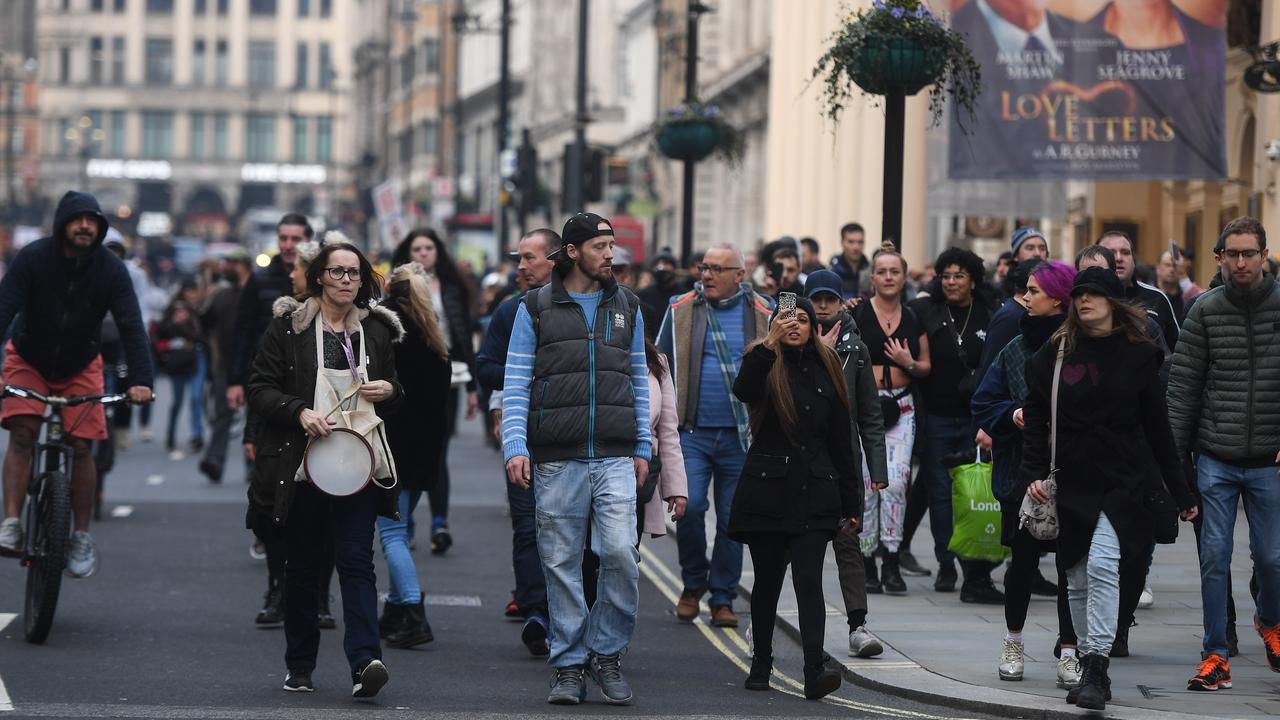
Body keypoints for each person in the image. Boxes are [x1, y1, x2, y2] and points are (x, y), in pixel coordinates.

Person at [1020, 267, 1197, 711]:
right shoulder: (1057, 352)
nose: (1084, 302)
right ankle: (1084, 661)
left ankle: (1098, 667)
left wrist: (1182, 491)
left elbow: (1159, 428)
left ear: (1113, 301)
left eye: (1094, 295)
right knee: (1075, 576)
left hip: (1122, 478)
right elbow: (1037, 413)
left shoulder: (1137, 354)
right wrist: (1034, 472)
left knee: (1101, 563)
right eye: (1079, 294)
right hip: (1073, 478)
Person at [501, 212, 651, 706]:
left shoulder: (627, 304)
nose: (611, 254)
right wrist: (515, 446)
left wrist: (644, 446)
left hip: (613, 454)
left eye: (612, 246)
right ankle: (568, 665)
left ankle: (605, 654)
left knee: (618, 556)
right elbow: (517, 381)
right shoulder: (535, 307)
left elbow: (638, 381)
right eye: (601, 246)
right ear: (573, 252)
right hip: (556, 458)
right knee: (561, 564)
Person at [247, 240, 403, 698]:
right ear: (318, 277)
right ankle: (300, 665)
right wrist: (297, 412)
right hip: (302, 465)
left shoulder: (375, 331)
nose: (347, 281)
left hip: (359, 463)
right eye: (337, 273)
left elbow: (399, 393)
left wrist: (388, 390)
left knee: (357, 562)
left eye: (355, 274)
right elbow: (260, 386)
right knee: (304, 568)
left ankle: (365, 662)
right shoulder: (288, 327)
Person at [0, 191, 155, 571]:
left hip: (81, 363)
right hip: (28, 356)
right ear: (62, 224)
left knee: (83, 446)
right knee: (23, 434)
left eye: (92, 221)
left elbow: (131, 326)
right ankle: (12, 522)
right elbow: (3, 310)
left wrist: (141, 379)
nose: (85, 226)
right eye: (77, 219)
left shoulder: (111, 270)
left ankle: (81, 537)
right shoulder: (33, 258)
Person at [1168, 216, 1280, 692]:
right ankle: (1215, 654)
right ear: (1220, 258)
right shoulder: (1204, 310)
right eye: (1231, 254)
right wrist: (1178, 471)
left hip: (1269, 461)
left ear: (1264, 255)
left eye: (1248, 253)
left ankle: (1270, 622)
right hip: (1214, 456)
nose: (1240, 261)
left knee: (1272, 558)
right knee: (1214, 557)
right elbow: (1182, 392)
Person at [729, 296, 860, 700]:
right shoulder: (763, 361)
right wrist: (768, 344)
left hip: (816, 492)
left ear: (813, 327)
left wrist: (851, 503)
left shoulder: (828, 367)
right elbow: (743, 390)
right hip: (768, 490)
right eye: (786, 319)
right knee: (767, 583)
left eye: (802, 319)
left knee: (808, 581)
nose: (795, 325)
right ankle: (761, 662)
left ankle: (813, 669)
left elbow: (842, 440)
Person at [972, 260, 1079, 688]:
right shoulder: (1014, 347)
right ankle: (1014, 641)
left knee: (1073, 565)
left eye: (1033, 290)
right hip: (1021, 473)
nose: (1026, 296)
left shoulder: (1079, 347)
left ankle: (1069, 649)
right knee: (1023, 562)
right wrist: (1012, 413)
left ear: (1057, 298)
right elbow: (983, 401)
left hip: (1072, 471)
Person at [656, 241, 774, 629]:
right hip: (691, 431)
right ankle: (693, 583)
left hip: (743, 437)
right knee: (688, 510)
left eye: (716, 269)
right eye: (703, 267)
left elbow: (794, 344)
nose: (706, 275)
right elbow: (657, 365)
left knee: (731, 520)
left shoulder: (767, 309)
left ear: (740, 276)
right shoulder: (680, 308)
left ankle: (722, 597)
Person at [475, 228, 557, 655]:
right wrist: (520, 373)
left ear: (557, 259)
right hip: (522, 432)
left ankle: (570, 616)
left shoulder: (589, 308)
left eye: (529, 258)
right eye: (519, 258)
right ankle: (536, 614)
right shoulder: (510, 312)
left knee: (569, 532)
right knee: (527, 527)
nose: (520, 267)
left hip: (573, 439)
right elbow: (484, 367)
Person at [909, 247, 1002, 602]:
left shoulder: (989, 313)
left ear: (973, 280)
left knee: (975, 493)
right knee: (940, 494)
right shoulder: (925, 310)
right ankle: (946, 562)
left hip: (976, 420)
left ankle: (974, 567)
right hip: (937, 418)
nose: (951, 282)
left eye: (959, 275)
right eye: (946, 275)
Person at [804, 268, 889, 656]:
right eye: (816, 299)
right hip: (802, 463)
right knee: (791, 549)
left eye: (830, 299)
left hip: (842, 464)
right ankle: (764, 622)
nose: (823, 306)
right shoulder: (789, 341)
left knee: (847, 542)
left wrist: (878, 470)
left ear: (842, 302)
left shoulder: (855, 347)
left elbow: (870, 413)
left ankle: (858, 626)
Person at [375, 262, 452, 649]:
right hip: (425, 455)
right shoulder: (435, 341)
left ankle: (412, 612)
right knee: (401, 531)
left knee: (391, 534)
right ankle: (393, 612)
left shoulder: (390, 336)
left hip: (394, 451)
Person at [847, 246, 929, 596]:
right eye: (882, 271)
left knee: (895, 483)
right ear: (872, 277)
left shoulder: (913, 316)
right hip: (866, 411)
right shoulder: (857, 312)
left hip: (901, 409)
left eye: (895, 271)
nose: (889, 277)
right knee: (867, 487)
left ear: (904, 275)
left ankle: (892, 559)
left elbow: (925, 366)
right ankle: (866, 562)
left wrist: (907, 362)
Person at [391, 228, 477, 555]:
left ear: (438, 251)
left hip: (447, 375)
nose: (423, 253)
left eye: (429, 247)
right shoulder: (399, 289)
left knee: (438, 450)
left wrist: (472, 387)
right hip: (408, 376)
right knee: (405, 449)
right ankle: (408, 523)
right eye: (417, 248)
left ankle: (439, 522)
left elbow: (464, 337)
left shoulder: (452, 288)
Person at [199, 249, 253, 483]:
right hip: (225, 366)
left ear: (243, 265)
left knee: (256, 417)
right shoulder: (220, 295)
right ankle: (214, 461)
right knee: (222, 415)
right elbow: (203, 322)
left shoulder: (257, 293)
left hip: (256, 365)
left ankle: (253, 465)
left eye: (231, 263)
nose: (226, 267)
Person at [639, 339, 689, 542]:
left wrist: (675, 487)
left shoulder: (656, 362)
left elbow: (668, 431)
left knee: (623, 556)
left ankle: (706, 575)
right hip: (591, 468)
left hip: (639, 478)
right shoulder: (680, 309)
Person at [1097, 231, 1179, 352]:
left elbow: (1177, 352)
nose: (1118, 258)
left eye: (1125, 253)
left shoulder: (1157, 297)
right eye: (1110, 253)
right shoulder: (1084, 297)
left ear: (1134, 261)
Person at [157, 278, 206, 459]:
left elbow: (202, 337)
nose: (193, 295)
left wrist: (186, 323)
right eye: (190, 291)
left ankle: (197, 435)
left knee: (195, 397)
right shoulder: (173, 308)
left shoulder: (200, 309)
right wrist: (176, 322)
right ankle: (170, 434)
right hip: (178, 359)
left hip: (195, 357)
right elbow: (161, 331)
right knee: (177, 400)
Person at [1156, 247, 1204, 324]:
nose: (1172, 269)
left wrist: (1182, 275)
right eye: (1167, 265)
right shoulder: (1149, 293)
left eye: (1175, 266)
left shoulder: (1185, 295)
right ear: (1158, 267)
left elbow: (1203, 301)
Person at [831, 222, 871, 299]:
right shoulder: (833, 272)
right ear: (842, 243)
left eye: (860, 242)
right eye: (851, 242)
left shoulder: (871, 272)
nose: (856, 247)